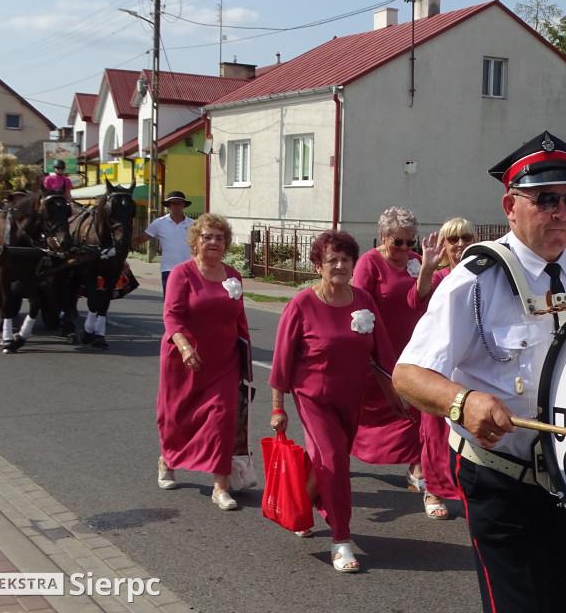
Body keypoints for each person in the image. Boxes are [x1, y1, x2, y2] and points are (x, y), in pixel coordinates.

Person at [394, 131, 566, 613]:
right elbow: (407, 374)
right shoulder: (475, 279)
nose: (563, 211)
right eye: (546, 199)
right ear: (510, 206)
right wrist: (464, 402)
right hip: (499, 477)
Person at [269, 231, 394, 573]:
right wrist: (278, 407)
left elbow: (383, 354)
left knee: (325, 461)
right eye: (331, 261)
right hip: (313, 398)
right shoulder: (302, 304)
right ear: (318, 267)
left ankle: (301, 504)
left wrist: (403, 395)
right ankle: (341, 540)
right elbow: (282, 359)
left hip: (351, 399)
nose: (339, 266)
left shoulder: (364, 301)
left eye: (345, 260)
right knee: (336, 460)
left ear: (354, 263)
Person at [156, 213, 250, 512]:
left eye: (219, 238)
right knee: (177, 418)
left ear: (226, 245)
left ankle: (220, 486)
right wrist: (184, 347)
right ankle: (167, 459)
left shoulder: (232, 275)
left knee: (222, 420)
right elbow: (171, 315)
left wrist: (246, 360)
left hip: (224, 363)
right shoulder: (182, 274)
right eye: (207, 237)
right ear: (195, 242)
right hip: (184, 360)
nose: (213, 242)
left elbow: (240, 320)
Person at [349, 208, 426, 506]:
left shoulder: (418, 262)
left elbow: (425, 299)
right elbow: (358, 304)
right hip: (379, 347)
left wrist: (429, 267)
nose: (405, 250)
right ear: (383, 237)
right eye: (398, 242)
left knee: (416, 408)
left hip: (412, 349)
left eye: (411, 242)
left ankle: (416, 466)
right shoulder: (370, 262)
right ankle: (337, 452)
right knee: (363, 410)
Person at [407, 217, 476, 519]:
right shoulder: (438, 277)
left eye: (466, 238)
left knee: (469, 429)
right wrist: (427, 267)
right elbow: (417, 298)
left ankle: (467, 488)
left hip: (471, 364)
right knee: (434, 431)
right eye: (453, 239)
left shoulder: (480, 274)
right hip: (438, 365)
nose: (460, 244)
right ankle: (432, 489)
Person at [133, 191, 195, 292]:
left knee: (191, 302)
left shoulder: (193, 224)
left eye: (179, 203)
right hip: (169, 270)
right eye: (172, 203)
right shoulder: (159, 223)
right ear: (168, 205)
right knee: (171, 303)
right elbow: (141, 238)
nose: (176, 206)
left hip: (190, 269)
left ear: (184, 205)